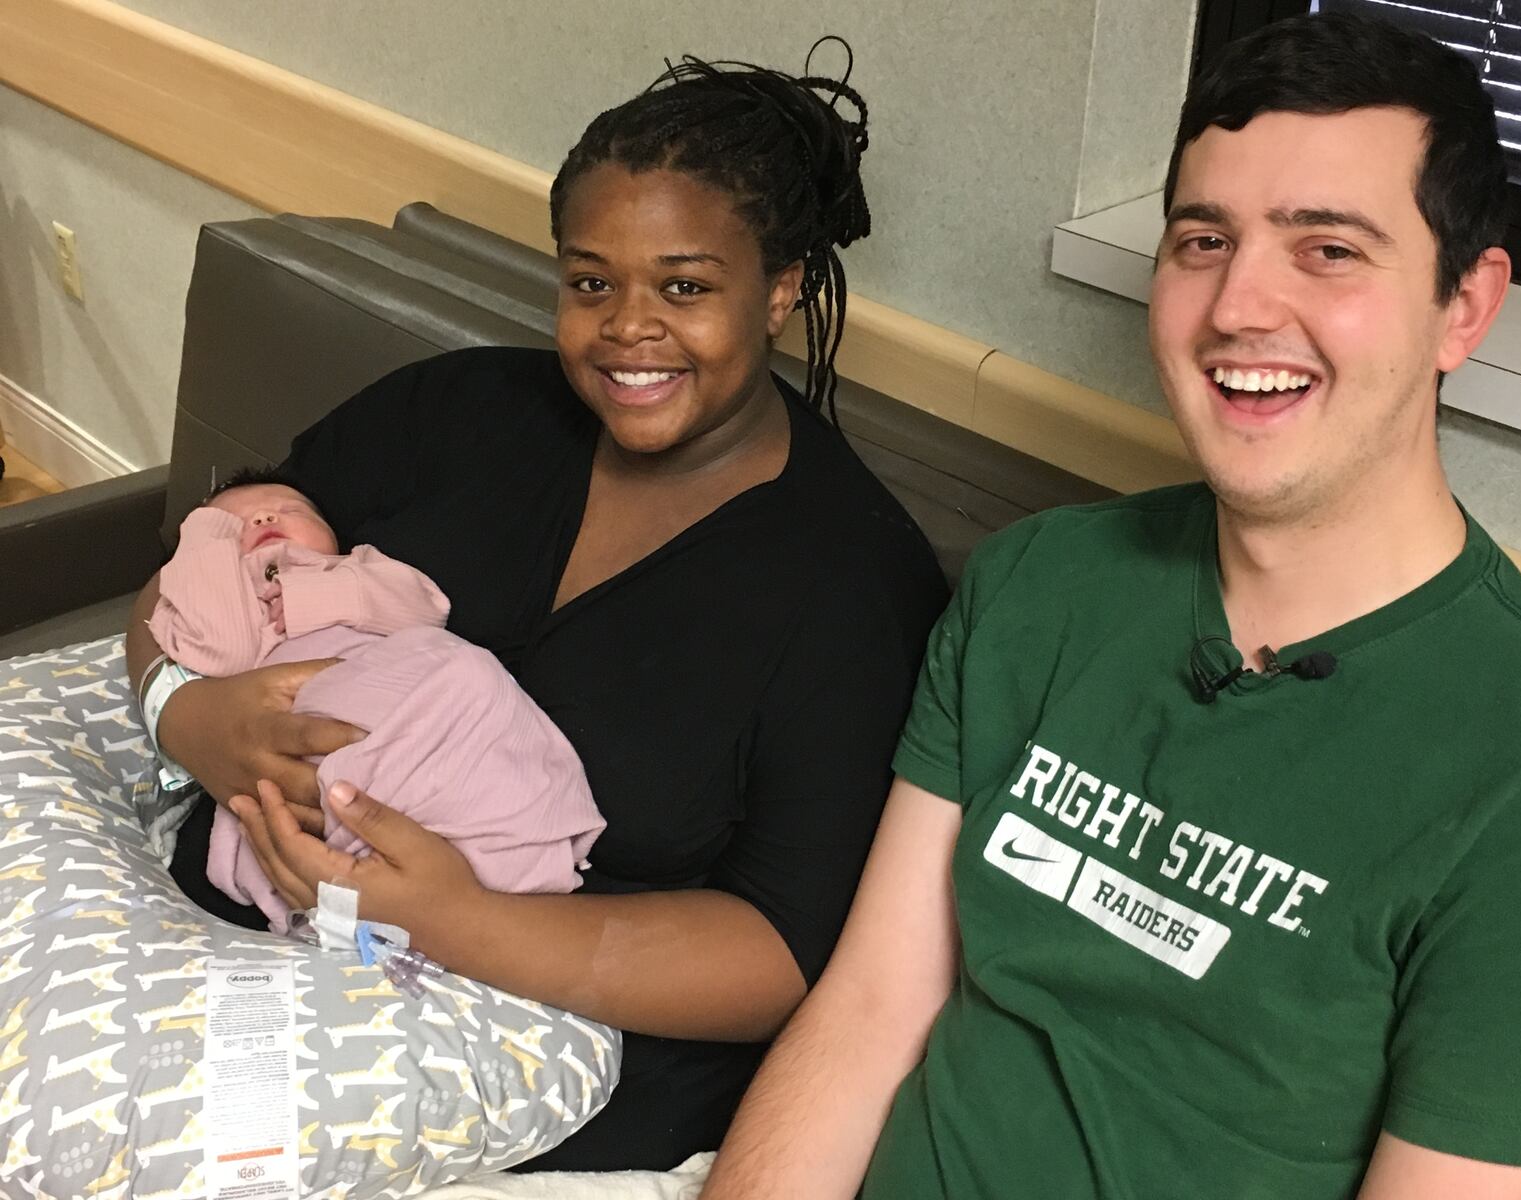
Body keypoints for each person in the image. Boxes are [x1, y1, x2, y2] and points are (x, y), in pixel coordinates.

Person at [702, 13, 1521, 1199]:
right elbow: (870, 1009)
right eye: (1202, 240)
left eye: (1326, 249)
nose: (1238, 307)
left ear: (1465, 307)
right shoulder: (1038, 586)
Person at [124, 46, 948, 1172]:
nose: (627, 330)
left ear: (784, 287)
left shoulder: (853, 589)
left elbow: (788, 955)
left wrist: (459, 922)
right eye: (590, 281)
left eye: (687, 287)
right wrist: (188, 715)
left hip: (537, 1057)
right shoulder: (455, 413)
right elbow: (204, 568)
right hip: (224, 946)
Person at [147, 471, 602, 933]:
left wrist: (311, 595)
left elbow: (425, 608)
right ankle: (435, 859)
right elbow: (220, 649)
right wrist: (208, 539)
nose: (264, 516)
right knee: (337, 774)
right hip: (316, 712)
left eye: (291, 508)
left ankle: (510, 837)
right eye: (233, 524)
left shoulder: (358, 568)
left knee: (470, 681)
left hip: (415, 678)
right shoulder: (230, 604)